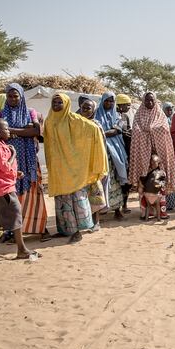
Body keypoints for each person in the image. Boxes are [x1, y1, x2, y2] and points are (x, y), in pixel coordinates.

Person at [44, 93, 108, 242]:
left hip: (73, 168)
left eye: (60, 102)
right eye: (54, 102)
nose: (57, 105)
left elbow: (92, 128)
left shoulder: (74, 120)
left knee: (74, 200)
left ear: (66, 104)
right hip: (58, 167)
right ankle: (64, 230)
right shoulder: (49, 121)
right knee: (61, 200)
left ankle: (77, 232)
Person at [0, 118, 38, 261]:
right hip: (4, 190)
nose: (9, 131)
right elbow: (5, 167)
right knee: (16, 216)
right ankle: (22, 249)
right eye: (6, 129)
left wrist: (15, 174)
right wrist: (14, 154)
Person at [0, 83, 48, 234]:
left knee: (34, 192)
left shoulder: (31, 112)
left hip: (29, 159)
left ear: (21, 96)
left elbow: (37, 131)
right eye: (10, 96)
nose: (13, 99)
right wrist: (25, 130)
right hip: (9, 161)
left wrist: (11, 131)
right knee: (11, 195)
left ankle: (38, 228)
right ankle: (12, 231)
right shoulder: (0, 114)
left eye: (16, 96)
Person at [129, 92, 175, 215]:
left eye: (152, 100)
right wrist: (150, 133)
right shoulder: (138, 116)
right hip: (143, 156)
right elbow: (136, 132)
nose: (149, 103)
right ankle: (145, 212)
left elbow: (165, 131)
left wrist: (151, 131)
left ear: (155, 101)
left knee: (160, 183)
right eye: (147, 100)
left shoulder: (161, 116)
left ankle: (161, 211)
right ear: (143, 101)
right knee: (144, 183)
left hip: (159, 157)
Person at [79, 99, 113, 230]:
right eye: (83, 108)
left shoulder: (96, 125)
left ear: (93, 111)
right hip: (80, 163)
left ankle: (96, 221)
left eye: (89, 108)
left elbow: (101, 146)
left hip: (93, 164)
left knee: (95, 193)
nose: (85, 110)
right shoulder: (76, 124)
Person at [95, 92, 130, 218]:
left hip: (115, 152)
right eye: (107, 101)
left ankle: (117, 210)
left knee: (116, 180)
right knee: (102, 180)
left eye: (111, 101)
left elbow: (117, 130)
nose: (109, 103)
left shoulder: (117, 116)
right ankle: (100, 210)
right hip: (100, 151)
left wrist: (101, 133)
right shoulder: (95, 114)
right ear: (102, 101)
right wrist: (108, 132)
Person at [140, 153, 167, 221]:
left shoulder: (147, 173)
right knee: (158, 205)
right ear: (158, 163)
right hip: (155, 194)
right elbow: (163, 183)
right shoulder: (161, 172)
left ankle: (146, 218)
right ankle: (158, 218)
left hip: (147, 194)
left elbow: (142, 179)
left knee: (148, 206)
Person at [116, 94, 135, 159]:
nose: (129, 107)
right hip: (120, 144)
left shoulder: (124, 115)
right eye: (128, 105)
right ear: (121, 105)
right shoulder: (117, 116)